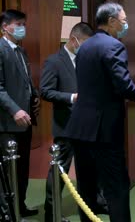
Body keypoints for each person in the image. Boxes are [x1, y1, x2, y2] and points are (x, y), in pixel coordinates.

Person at [65, 2, 135, 222]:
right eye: (124, 20)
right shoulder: (113, 45)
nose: (126, 24)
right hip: (104, 130)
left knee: (86, 186)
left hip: (80, 127)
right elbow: (122, 81)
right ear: (111, 21)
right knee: (116, 185)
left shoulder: (84, 47)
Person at [40, 22, 94, 222]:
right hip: (66, 125)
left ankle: (91, 205)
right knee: (59, 170)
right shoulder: (54, 61)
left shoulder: (85, 61)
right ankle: (51, 212)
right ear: (73, 40)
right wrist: (72, 97)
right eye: (85, 44)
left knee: (88, 169)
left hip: (86, 125)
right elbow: (45, 91)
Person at [0, 9, 40, 217]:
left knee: (23, 166)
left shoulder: (21, 51)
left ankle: (20, 205)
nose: (22, 28)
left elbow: (25, 82)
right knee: (9, 170)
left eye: (24, 24)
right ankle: (7, 212)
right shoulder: (0, 49)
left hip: (25, 121)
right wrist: (15, 110)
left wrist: (35, 96)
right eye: (18, 24)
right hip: (7, 122)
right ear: (5, 27)